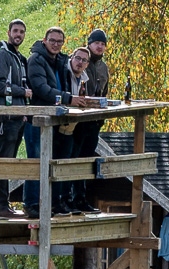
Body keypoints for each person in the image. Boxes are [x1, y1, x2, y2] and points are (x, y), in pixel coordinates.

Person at [23, 27, 87, 216]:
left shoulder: (59, 61)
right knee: (35, 162)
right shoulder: (36, 59)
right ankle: (31, 204)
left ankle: (51, 203)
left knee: (52, 162)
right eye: (52, 40)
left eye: (59, 41)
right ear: (44, 40)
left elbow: (63, 86)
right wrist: (68, 98)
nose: (56, 44)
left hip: (54, 119)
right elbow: (40, 88)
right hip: (37, 118)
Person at [0, 19, 32, 217]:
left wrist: (24, 110)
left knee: (10, 161)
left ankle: (4, 205)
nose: (18, 35)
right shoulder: (2, 54)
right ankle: (0, 206)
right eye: (15, 31)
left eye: (22, 32)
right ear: (8, 32)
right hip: (5, 117)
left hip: (18, 117)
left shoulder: (18, 57)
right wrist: (23, 92)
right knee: (3, 161)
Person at [70, 29, 109, 211]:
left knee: (87, 160)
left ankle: (81, 198)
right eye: (96, 43)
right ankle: (70, 198)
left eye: (102, 44)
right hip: (78, 120)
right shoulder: (80, 62)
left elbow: (104, 93)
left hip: (95, 120)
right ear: (89, 44)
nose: (99, 47)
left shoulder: (103, 68)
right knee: (74, 158)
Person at [63, 48, 97, 212]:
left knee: (81, 160)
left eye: (84, 60)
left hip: (80, 123)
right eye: (77, 58)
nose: (80, 62)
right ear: (71, 58)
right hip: (63, 124)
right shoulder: (64, 74)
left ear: (87, 64)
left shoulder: (84, 78)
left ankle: (78, 198)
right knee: (66, 161)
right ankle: (65, 199)